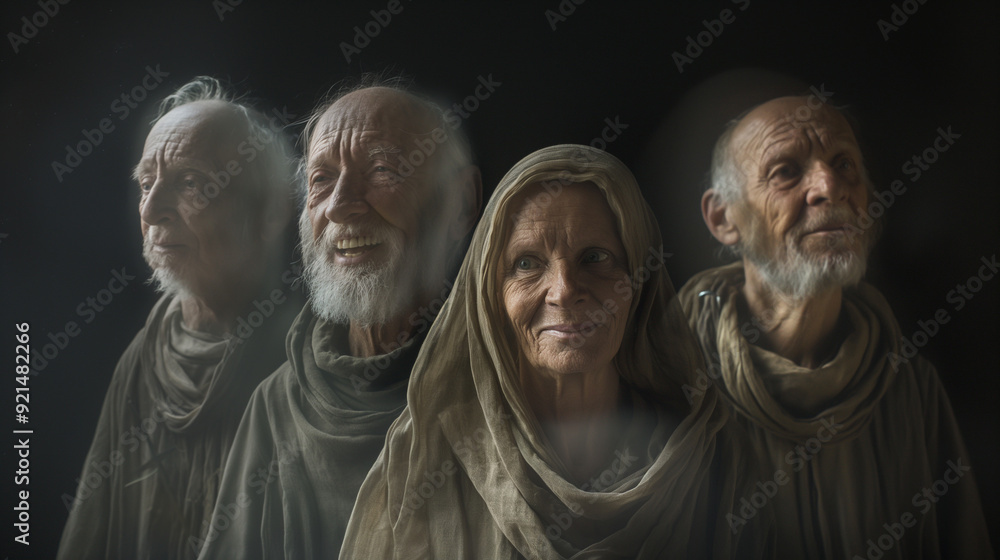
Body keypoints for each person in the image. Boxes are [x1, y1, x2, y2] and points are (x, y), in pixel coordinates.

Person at [341, 144, 772, 559]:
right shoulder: (425, 457)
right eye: (527, 263)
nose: (564, 291)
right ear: (491, 296)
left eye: (595, 257)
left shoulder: (711, 450)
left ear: (639, 281)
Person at [679, 96, 993, 558]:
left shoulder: (910, 387)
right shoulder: (672, 382)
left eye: (844, 164)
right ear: (723, 218)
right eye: (785, 171)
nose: (830, 187)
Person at [196, 80, 482, 558]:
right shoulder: (279, 403)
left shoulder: (499, 376)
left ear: (462, 203)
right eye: (321, 180)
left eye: (383, 170)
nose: (339, 204)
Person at [58, 76, 300, 560]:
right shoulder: (147, 354)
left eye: (190, 183)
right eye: (146, 184)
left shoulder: (307, 353)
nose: (150, 210)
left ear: (271, 209)